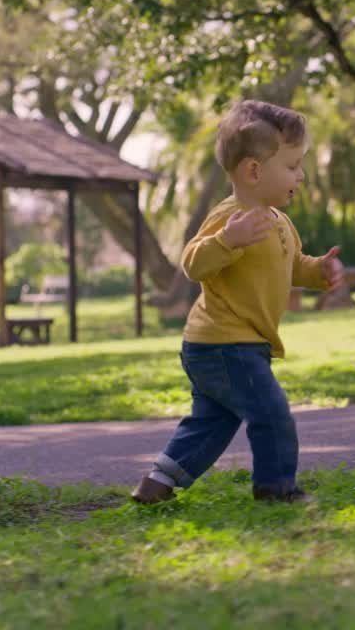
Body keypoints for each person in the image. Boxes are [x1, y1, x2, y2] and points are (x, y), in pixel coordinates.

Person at [131, 100, 343, 505]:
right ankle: (276, 490)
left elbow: (290, 265)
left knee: (213, 420)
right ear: (253, 171)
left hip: (230, 345)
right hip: (225, 344)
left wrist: (319, 272)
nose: (301, 175)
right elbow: (193, 262)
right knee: (272, 414)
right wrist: (229, 240)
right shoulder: (232, 216)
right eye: (293, 165)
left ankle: (159, 481)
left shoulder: (278, 220)